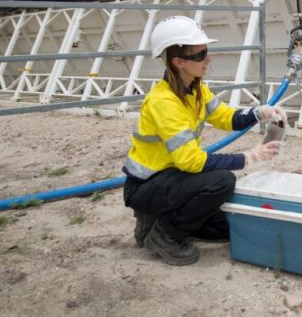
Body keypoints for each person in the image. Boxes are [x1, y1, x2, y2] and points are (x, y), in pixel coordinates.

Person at [122, 16, 286, 265]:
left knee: (222, 228)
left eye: (206, 52)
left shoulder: (195, 88)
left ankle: (171, 219)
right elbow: (190, 161)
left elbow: (225, 117)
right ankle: (163, 235)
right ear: (178, 62)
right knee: (222, 181)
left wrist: (259, 113)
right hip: (147, 185)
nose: (207, 59)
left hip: (173, 176)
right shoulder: (163, 102)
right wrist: (248, 158)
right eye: (199, 55)